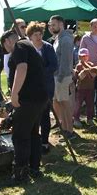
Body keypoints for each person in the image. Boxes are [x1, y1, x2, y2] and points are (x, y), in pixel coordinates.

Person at [1, 30, 48, 184]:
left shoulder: (19, 46)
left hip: (29, 99)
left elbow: (22, 68)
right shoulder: (29, 45)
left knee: (20, 135)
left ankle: (20, 174)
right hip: (40, 97)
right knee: (33, 133)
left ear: (8, 40)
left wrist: (14, 95)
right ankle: (34, 168)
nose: (7, 51)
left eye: (5, 46)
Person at [27, 21, 58, 154]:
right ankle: (34, 141)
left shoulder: (48, 47)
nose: (38, 37)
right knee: (33, 114)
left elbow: (54, 65)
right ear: (30, 36)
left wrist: (39, 72)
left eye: (40, 34)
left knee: (45, 114)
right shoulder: (27, 48)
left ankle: (44, 142)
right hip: (31, 87)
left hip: (46, 86)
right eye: (35, 34)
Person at [49, 15, 77, 139]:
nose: (51, 27)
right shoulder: (58, 38)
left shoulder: (65, 39)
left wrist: (60, 79)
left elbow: (66, 61)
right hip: (58, 77)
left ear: (61, 24)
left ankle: (69, 131)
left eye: (53, 24)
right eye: (50, 25)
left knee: (65, 104)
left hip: (63, 77)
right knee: (60, 103)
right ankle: (65, 128)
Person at [80, 18, 97, 121]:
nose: (96, 28)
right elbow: (81, 54)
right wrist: (85, 66)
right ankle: (91, 113)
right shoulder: (85, 38)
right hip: (89, 68)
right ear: (90, 27)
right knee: (90, 92)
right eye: (94, 26)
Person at [73, 48, 96, 128]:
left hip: (90, 88)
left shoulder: (91, 65)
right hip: (80, 88)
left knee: (90, 104)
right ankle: (76, 119)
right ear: (79, 57)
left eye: (85, 56)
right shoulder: (78, 66)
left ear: (88, 56)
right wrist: (81, 73)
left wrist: (88, 69)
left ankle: (90, 118)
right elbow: (77, 77)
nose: (84, 58)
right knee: (78, 104)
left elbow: (93, 76)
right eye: (82, 56)